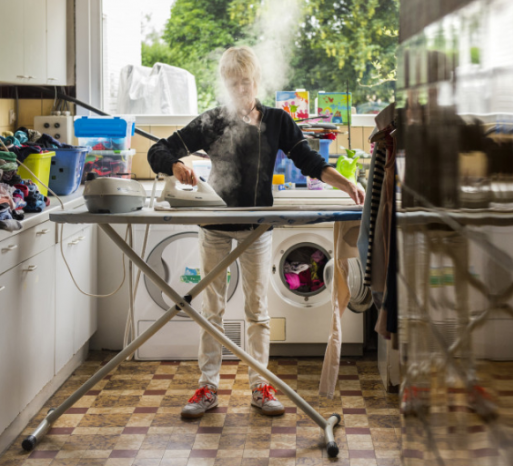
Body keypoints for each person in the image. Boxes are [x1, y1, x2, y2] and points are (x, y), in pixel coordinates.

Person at [147, 46, 365, 419]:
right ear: (224, 84)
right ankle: (207, 386)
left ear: (256, 81)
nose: (240, 90)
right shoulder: (212, 121)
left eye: (245, 82)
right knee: (212, 309)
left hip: (257, 229)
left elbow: (308, 161)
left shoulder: (277, 121)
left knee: (257, 309)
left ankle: (260, 385)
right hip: (215, 226)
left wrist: (345, 183)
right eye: (233, 84)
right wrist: (176, 164)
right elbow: (158, 150)